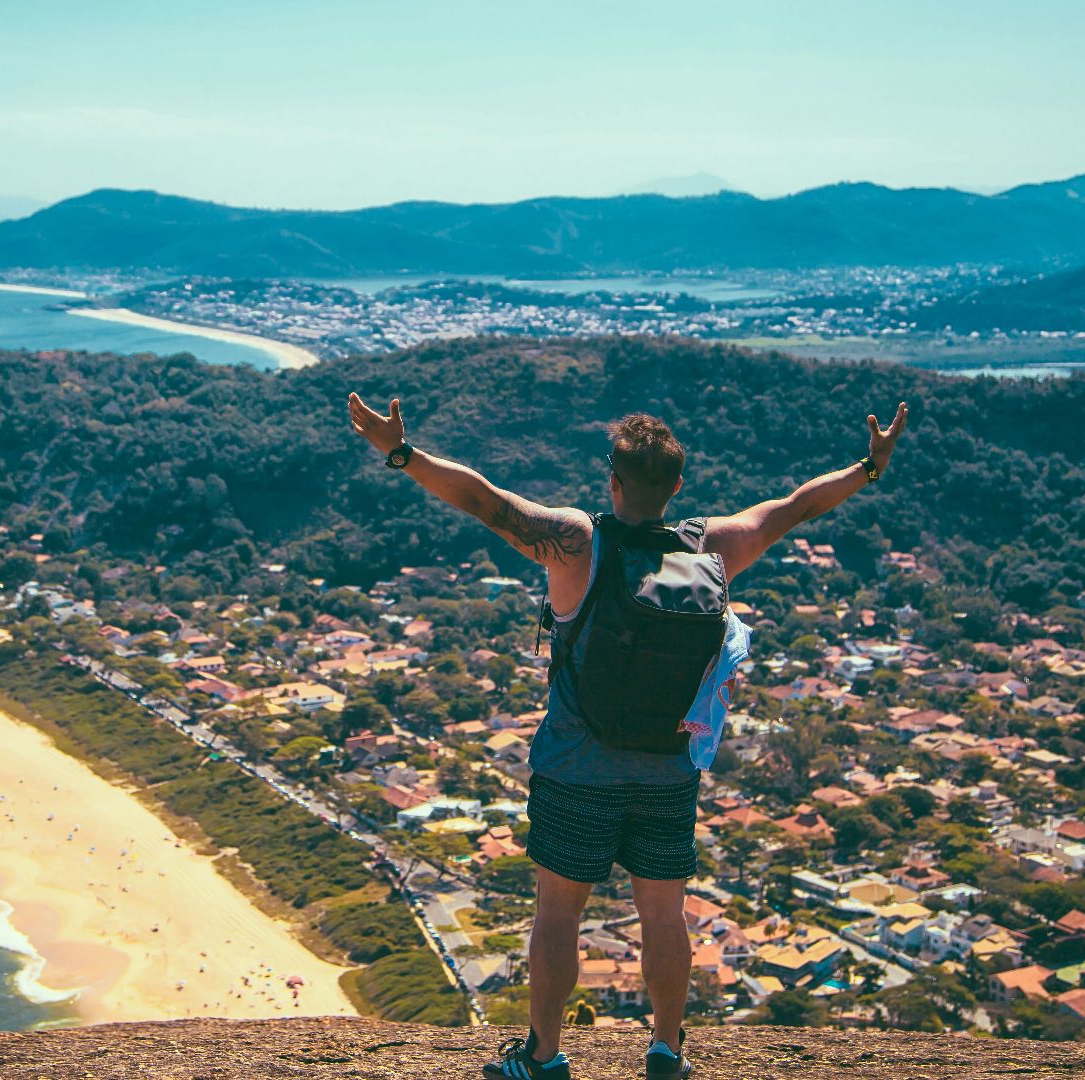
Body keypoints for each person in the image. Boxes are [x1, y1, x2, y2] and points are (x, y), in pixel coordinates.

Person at [346, 393, 910, 1080]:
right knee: (665, 915)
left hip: (577, 764)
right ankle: (667, 1053)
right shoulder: (713, 549)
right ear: (677, 487)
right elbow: (794, 507)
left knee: (557, 914)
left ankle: (545, 1059)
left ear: (612, 483)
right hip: (670, 767)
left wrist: (400, 453)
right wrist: (868, 468)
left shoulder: (580, 543)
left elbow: (483, 500)